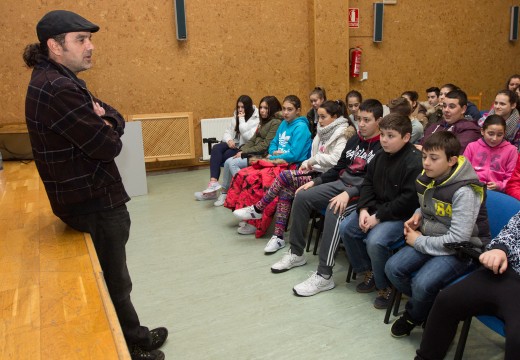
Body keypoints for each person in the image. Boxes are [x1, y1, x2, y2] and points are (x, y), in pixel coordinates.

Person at [22, 10, 167, 360]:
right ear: (55, 46)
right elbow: (109, 145)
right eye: (81, 40)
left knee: (116, 279)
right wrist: (106, 122)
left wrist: (106, 119)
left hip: (87, 197)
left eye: (89, 39)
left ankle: (135, 335)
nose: (91, 47)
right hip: (94, 203)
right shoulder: (58, 88)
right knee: (115, 282)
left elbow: (113, 116)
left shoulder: (60, 79)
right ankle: (131, 348)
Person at [268, 99, 383, 295]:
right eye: (359, 119)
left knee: (334, 209)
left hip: (360, 193)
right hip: (340, 184)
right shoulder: (355, 139)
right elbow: (339, 168)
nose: (361, 124)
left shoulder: (383, 145)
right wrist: (315, 182)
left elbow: (373, 182)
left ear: (379, 121)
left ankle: (324, 275)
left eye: (367, 120)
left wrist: (348, 193)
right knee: (303, 196)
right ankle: (296, 253)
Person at [385, 131, 491, 338]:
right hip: (433, 238)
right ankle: (428, 306)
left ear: (451, 160)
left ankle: (414, 315)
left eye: (433, 158)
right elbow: (428, 208)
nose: (426, 163)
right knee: (392, 268)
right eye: (424, 156)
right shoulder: (429, 178)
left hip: (463, 250)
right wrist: (418, 215)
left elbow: (459, 239)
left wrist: (419, 242)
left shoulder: (465, 191)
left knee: (423, 283)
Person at [232, 100, 354, 253]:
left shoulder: (342, 134)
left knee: (284, 176)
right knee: (286, 190)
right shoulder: (323, 130)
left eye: (323, 117)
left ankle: (258, 208)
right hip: (315, 171)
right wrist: (311, 161)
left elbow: (335, 160)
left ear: (335, 117)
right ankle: (278, 237)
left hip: (329, 177)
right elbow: (313, 154)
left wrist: (312, 161)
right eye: (319, 117)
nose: (320, 121)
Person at [339, 113, 423, 309]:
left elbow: (408, 200)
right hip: (376, 210)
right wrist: (363, 210)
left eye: (391, 136)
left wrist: (378, 217)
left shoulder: (415, 162)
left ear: (406, 137)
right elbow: (367, 184)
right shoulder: (379, 156)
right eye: (383, 134)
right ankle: (369, 272)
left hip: (400, 215)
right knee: (347, 228)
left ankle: (386, 285)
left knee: (376, 241)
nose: (384, 140)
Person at [415, 210, 520, 360]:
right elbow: (511, 231)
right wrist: (500, 249)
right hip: (504, 271)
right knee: (446, 300)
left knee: (517, 338)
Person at [224, 95, 312, 236]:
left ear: (298, 111)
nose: (286, 112)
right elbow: (272, 144)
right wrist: (273, 153)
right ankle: (247, 214)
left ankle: (255, 221)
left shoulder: (301, 127)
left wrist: (276, 155)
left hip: (291, 165)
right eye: (284, 109)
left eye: (290, 109)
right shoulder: (283, 123)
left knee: (258, 180)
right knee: (244, 174)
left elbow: (294, 155)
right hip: (275, 161)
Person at [212, 96, 282, 206]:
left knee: (232, 163)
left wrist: (244, 153)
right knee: (227, 161)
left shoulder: (275, 123)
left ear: (272, 108)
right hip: (253, 152)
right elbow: (252, 140)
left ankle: (244, 191)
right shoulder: (263, 121)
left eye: (266, 108)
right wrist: (242, 150)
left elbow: (265, 146)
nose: (262, 110)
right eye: (261, 107)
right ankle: (225, 192)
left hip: (262, 155)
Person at [195, 95, 259, 200]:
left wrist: (241, 119)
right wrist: (229, 140)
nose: (240, 110)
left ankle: (221, 192)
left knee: (225, 157)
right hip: (233, 144)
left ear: (248, 107)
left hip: (244, 147)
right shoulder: (236, 116)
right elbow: (227, 131)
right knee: (216, 148)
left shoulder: (255, 119)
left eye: (242, 107)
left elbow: (249, 137)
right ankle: (213, 183)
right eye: (238, 107)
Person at [464, 115, 518, 192]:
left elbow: (511, 176)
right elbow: (463, 170)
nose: (494, 138)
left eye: (499, 135)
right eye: (491, 134)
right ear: (482, 131)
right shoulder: (472, 146)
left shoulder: (511, 150)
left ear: (504, 133)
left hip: (498, 191)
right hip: (473, 188)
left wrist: (500, 185)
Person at [420, 89, 480, 154]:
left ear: (463, 109)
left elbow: (454, 153)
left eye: (451, 107)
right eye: (444, 106)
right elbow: (421, 143)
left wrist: (424, 150)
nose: (446, 110)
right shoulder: (436, 125)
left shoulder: (470, 130)